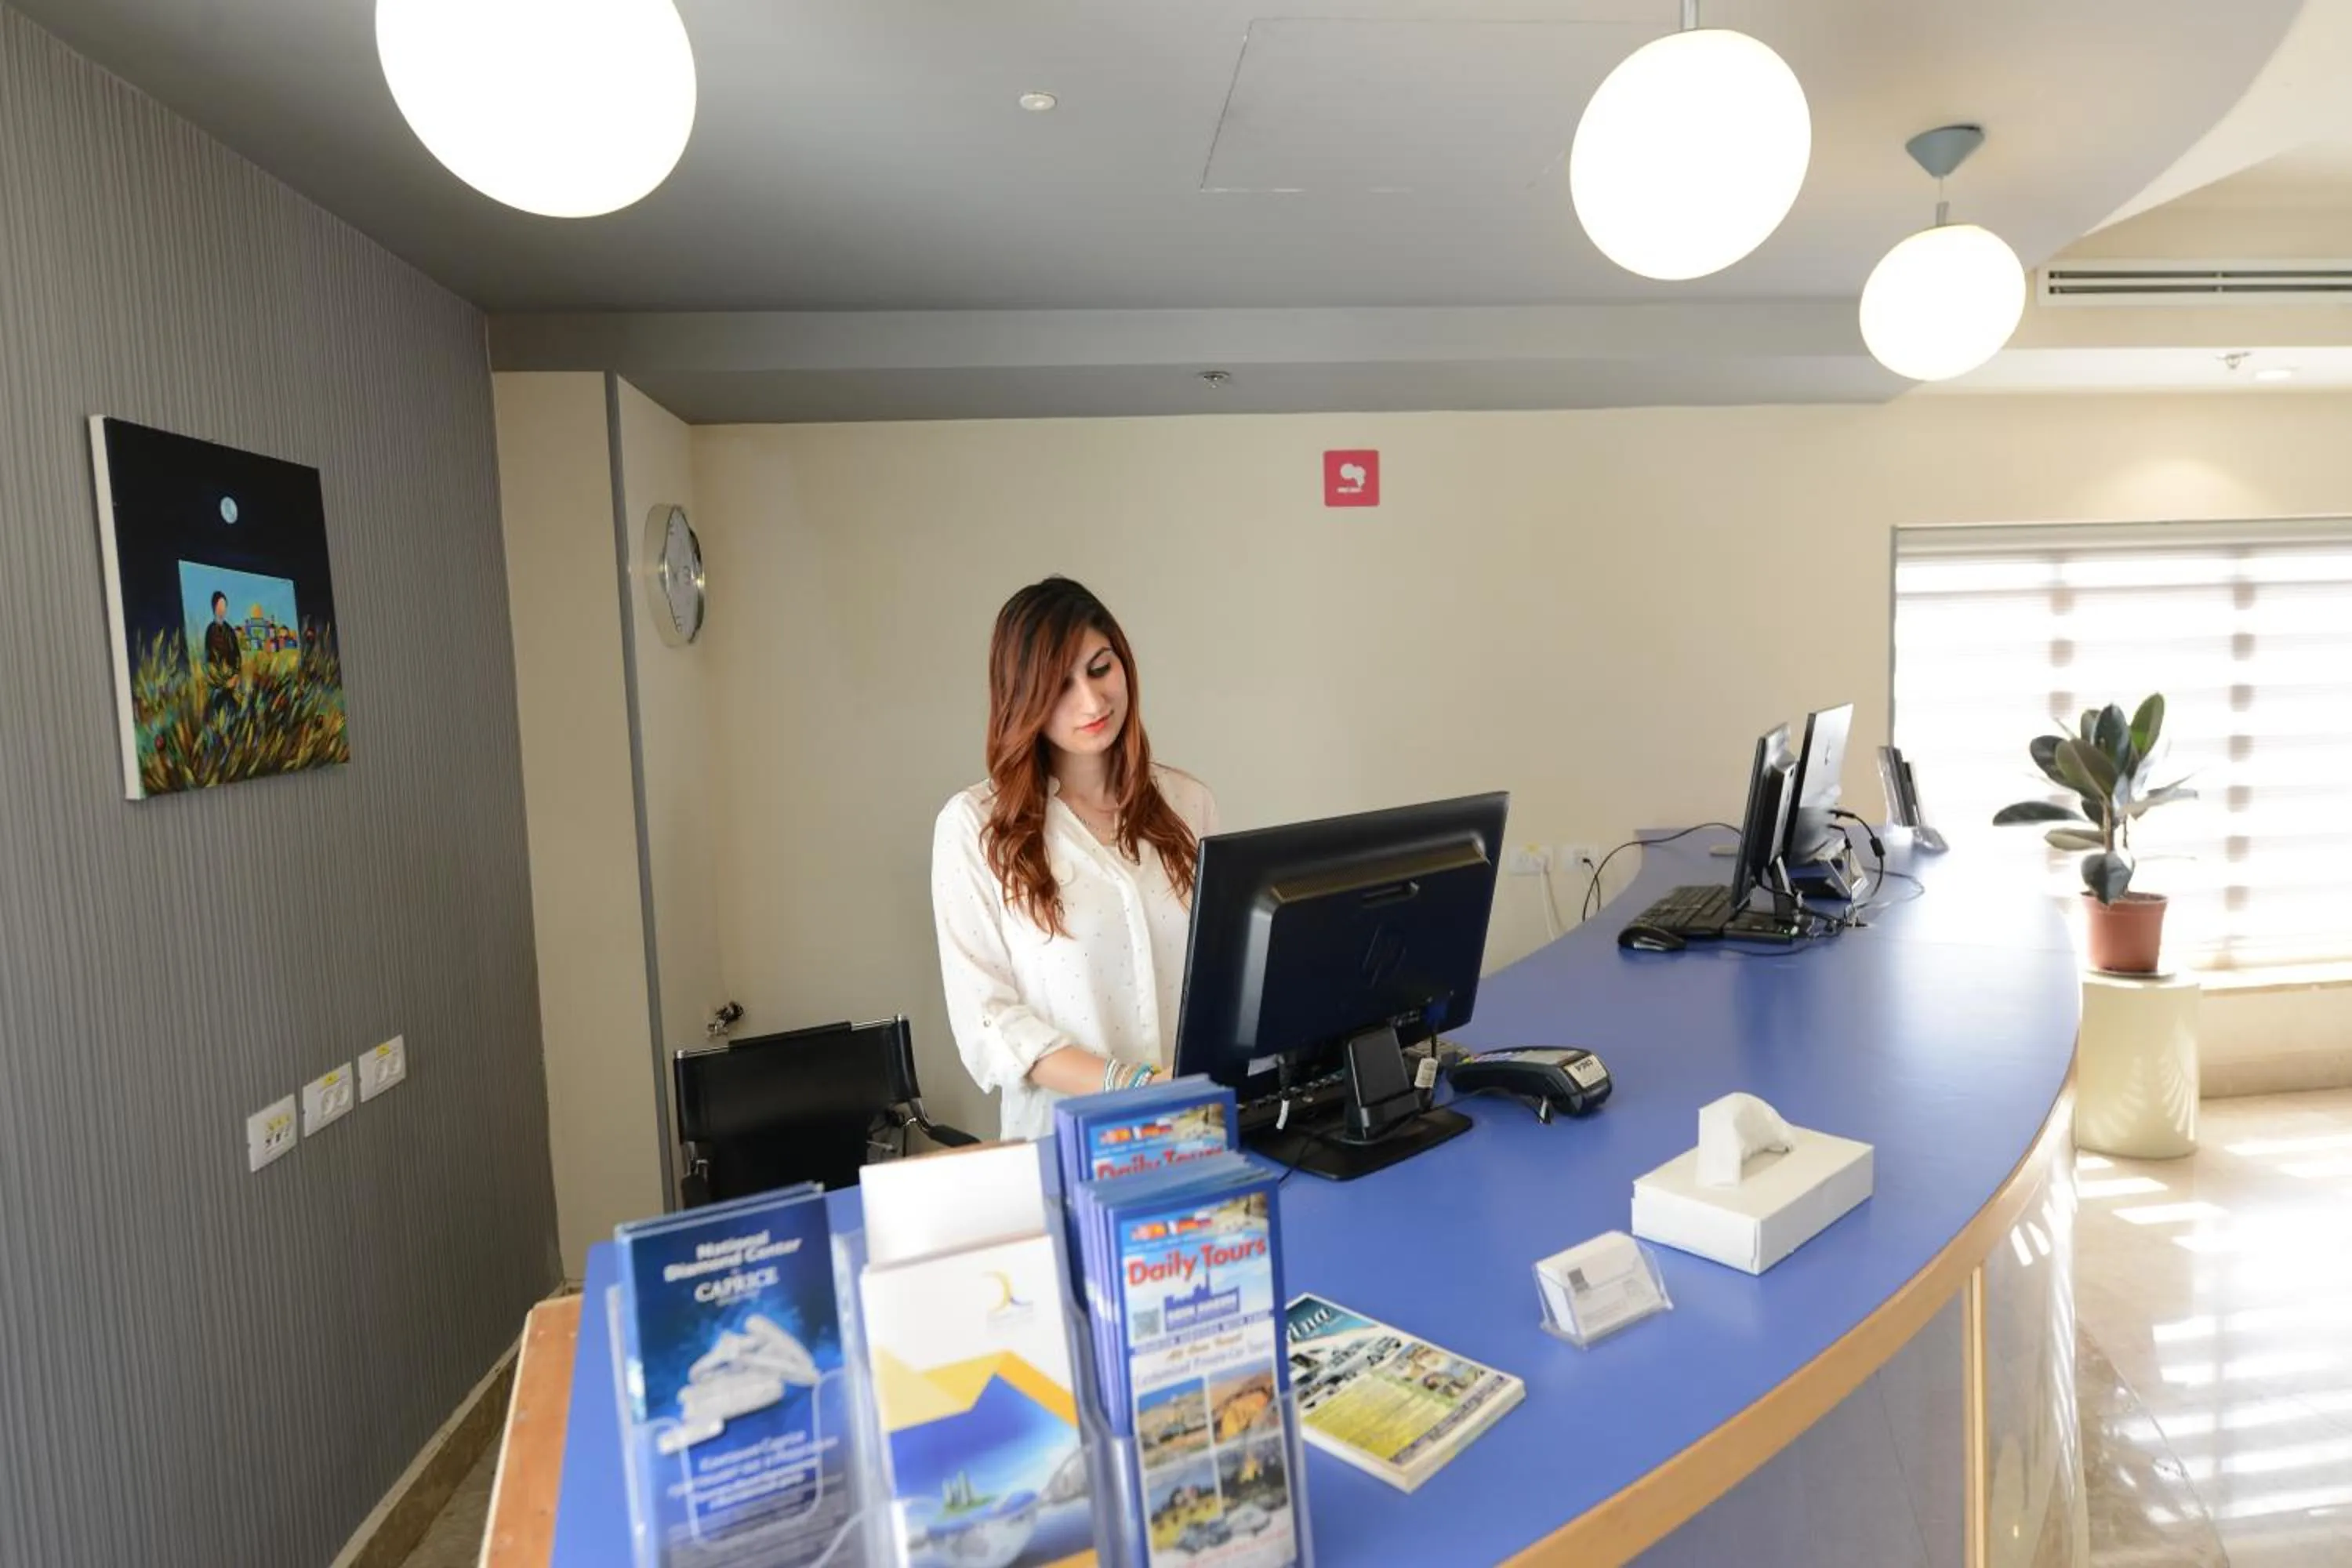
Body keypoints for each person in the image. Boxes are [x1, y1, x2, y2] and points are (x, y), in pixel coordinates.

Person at [932, 576, 1218, 1140]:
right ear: (1023, 698)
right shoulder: (975, 826)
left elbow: (1220, 975)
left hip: (1194, 1129)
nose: (1091, 701)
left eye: (1099, 668)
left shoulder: (1189, 803)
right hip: (1066, 1146)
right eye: (1058, 685)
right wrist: (1130, 1083)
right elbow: (990, 1022)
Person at [202, 591, 241, 720]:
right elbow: (208, 659)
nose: (222, 610)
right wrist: (220, 681)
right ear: (214, 608)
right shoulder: (210, 631)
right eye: (219, 606)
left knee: (235, 712)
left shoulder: (230, 632)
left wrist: (235, 676)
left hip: (231, 682)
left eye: (224, 606)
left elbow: (237, 656)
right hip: (217, 684)